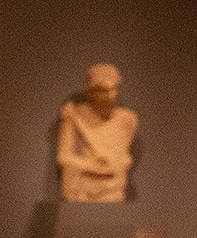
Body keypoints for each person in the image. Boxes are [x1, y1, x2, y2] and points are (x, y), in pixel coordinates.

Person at [56, 63, 137, 203]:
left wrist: (114, 164)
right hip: (84, 184)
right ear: (92, 93)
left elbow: (123, 158)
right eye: (103, 91)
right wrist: (91, 165)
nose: (111, 95)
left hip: (113, 185)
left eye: (114, 89)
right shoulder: (74, 114)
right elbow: (64, 157)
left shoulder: (128, 119)